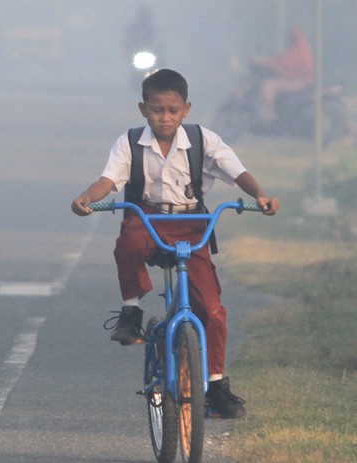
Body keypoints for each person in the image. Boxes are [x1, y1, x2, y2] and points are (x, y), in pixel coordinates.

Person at [70, 69, 280, 419]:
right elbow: (109, 180)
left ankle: (214, 385)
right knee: (128, 242)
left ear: (186, 109)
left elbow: (236, 171)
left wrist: (260, 196)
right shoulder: (130, 142)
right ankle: (131, 311)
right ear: (143, 109)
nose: (164, 118)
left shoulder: (203, 141)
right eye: (156, 110)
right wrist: (86, 198)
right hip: (149, 217)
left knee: (212, 310)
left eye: (172, 110)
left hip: (192, 223)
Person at [249, 26, 314, 121]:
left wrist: (261, 61)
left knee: (269, 85)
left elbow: (281, 62)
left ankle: (269, 113)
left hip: (300, 82)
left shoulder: (298, 51)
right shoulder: (301, 49)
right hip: (300, 81)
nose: (288, 40)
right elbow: (281, 60)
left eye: (290, 38)